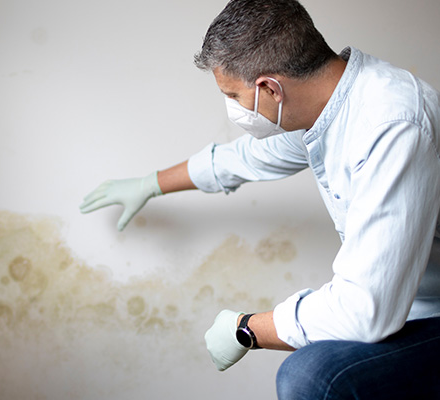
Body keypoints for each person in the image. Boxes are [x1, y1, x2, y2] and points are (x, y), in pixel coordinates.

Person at [79, 0, 440, 398]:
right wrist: (150, 183)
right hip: (406, 305)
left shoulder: (389, 124)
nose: (233, 108)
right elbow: (243, 159)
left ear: (270, 88)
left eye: (232, 94)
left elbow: (364, 310)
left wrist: (246, 329)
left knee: (310, 377)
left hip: (426, 310)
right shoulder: (331, 108)